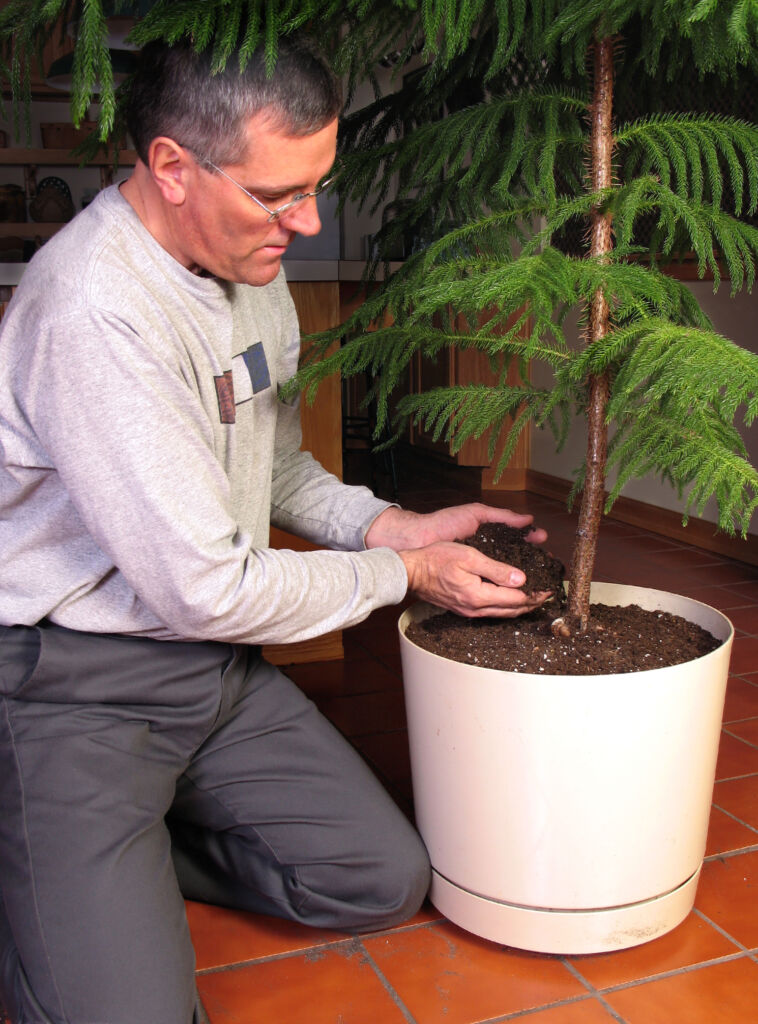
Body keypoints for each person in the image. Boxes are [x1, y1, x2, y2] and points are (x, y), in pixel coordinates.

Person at [0, 35, 549, 1024]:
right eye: (275, 195)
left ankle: (108, 860)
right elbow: (206, 586)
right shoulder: (94, 313)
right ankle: (52, 865)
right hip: (69, 687)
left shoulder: (249, 267)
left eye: (317, 185)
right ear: (171, 166)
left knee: (378, 878)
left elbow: (275, 462)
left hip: (212, 670)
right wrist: (402, 576)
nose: (305, 222)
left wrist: (387, 522)